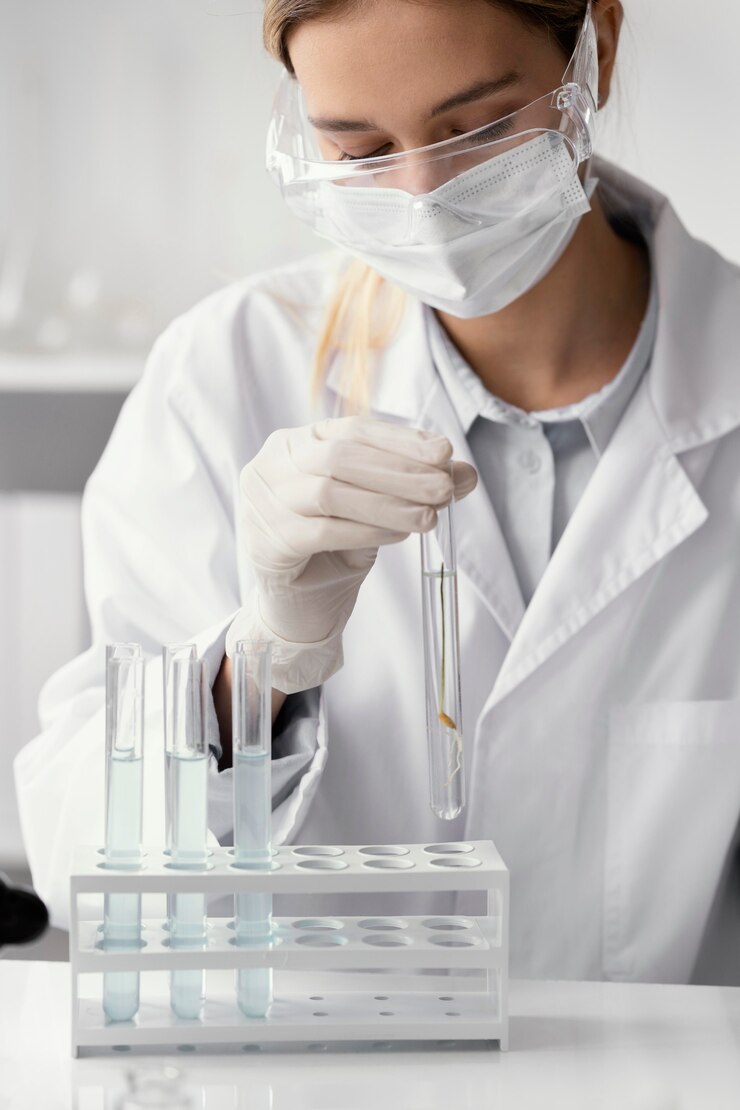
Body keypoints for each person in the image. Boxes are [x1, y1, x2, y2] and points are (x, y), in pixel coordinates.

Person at [14, 0, 740, 984]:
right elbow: (89, 881)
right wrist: (251, 672)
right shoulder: (224, 375)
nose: (421, 198)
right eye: (357, 148)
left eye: (474, 130)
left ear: (594, 49)